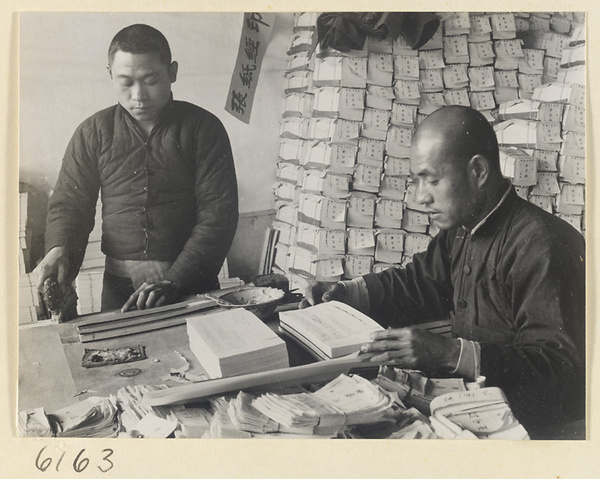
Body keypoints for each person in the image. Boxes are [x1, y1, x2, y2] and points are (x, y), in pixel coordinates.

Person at [301, 105, 585, 439]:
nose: (421, 197)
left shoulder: (542, 245)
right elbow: (418, 282)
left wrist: (451, 354)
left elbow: (561, 369)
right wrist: (347, 293)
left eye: (433, 180)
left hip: (537, 430)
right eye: (417, 182)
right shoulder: (463, 228)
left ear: (477, 171)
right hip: (475, 411)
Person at [33, 24, 238, 312]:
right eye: (125, 82)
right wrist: (58, 250)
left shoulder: (203, 129)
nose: (139, 95)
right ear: (109, 75)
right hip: (120, 288)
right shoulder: (93, 132)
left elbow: (218, 216)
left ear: (173, 72)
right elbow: (70, 206)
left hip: (191, 284)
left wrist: (176, 281)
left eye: (150, 80)